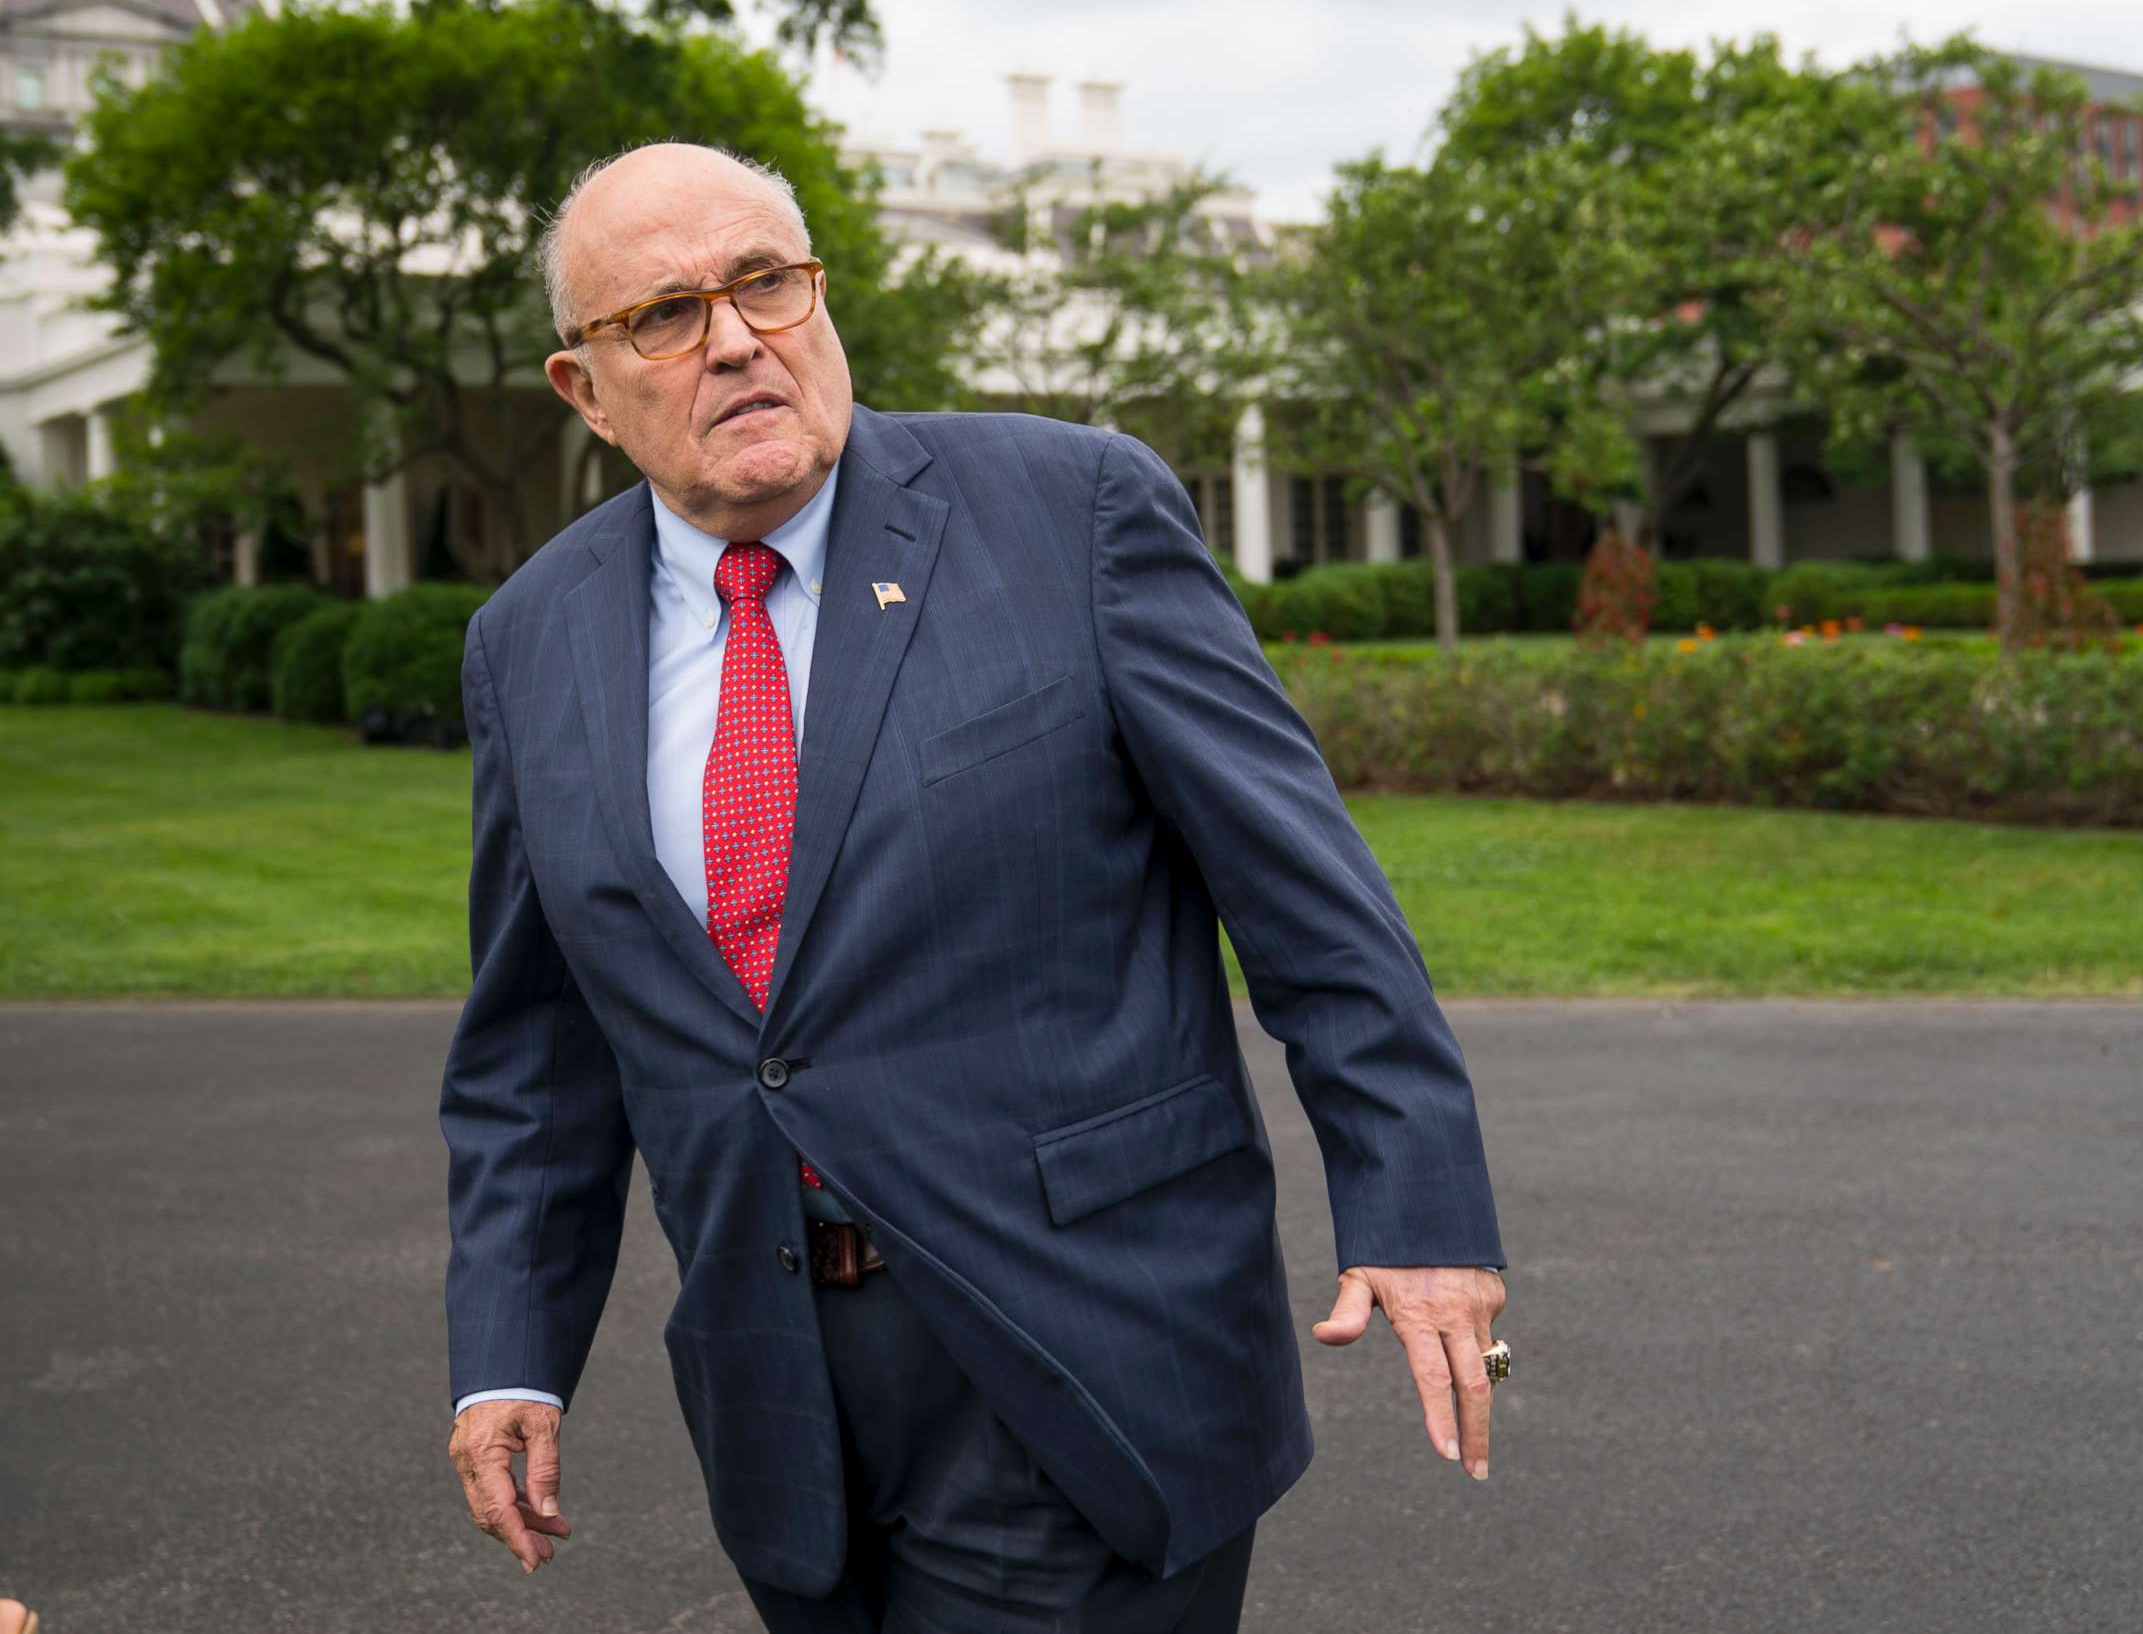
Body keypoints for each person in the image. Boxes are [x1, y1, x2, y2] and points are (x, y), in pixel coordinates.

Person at [441, 142, 1509, 1631]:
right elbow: (533, 1053)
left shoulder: (1070, 512)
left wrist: (1418, 1199)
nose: (739, 337)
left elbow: (1308, 896)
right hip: (781, 1398)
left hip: (1085, 1348)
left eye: (767, 282)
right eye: (668, 314)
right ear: (583, 388)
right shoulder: (528, 640)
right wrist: (510, 1349)